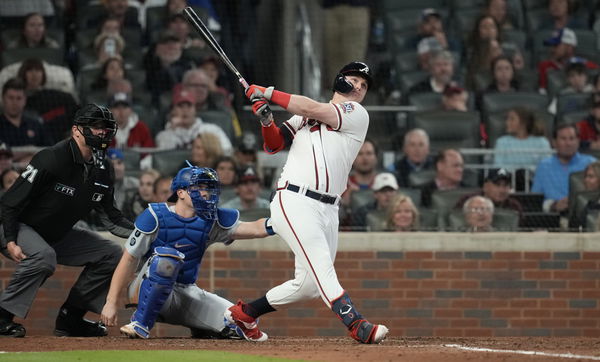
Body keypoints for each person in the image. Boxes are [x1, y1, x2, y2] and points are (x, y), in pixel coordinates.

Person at [225, 61, 388, 344]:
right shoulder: (302, 117)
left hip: (329, 208)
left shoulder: (356, 114)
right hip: (295, 199)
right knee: (323, 265)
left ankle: (246, 313)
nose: (359, 88)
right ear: (340, 80)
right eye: (355, 81)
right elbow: (274, 144)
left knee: (309, 285)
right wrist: (266, 121)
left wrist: (267, 92)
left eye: (364, 86)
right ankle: (355, 322)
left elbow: (312, 108)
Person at [0, 104, 134, 338]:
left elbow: (112, 218)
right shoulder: (51, 157)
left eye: (106, 127)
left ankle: (70, 319)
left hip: (54, 234)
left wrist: (144, 233)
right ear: (76, 130)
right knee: (44, 257)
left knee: (112, 253)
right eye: (95, 126)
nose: (102, 132)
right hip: (13, 224)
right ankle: (1, 317)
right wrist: (10, 240)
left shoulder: (104, 168)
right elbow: (9, 203)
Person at [100, 165, 275, 339]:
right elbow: (129, 259)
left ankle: (201, 327)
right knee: (167, 259)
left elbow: (255, 228)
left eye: (208, 188)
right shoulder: (154, 215)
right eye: (199, 187)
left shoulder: (211, 219)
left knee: (236, 320)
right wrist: (111, 302)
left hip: (186, 290)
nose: (205, 193)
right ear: (180, 192)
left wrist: (282, 220)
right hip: (145, 288)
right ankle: (140, 322)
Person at [532, 123, 596, 213]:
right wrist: (554, 205)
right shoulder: (544, 166)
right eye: (563, 139)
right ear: (554, 142)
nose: (568, 143)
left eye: (572, 138)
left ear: (578, 141)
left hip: (585, 215)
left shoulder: (591, 163)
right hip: (554, 218)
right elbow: (535, 200)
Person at [17, 58, 78, 144]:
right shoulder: (18, 100)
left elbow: (77, 114)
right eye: (30, 70)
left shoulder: (61, 97)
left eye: (38, 70)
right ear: (23, 74)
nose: (34, 74)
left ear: (43, 75)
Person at [155, 86, 232, 154]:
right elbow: (164, 158)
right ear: (172, 111)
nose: (185, 110)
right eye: (180, 106)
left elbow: (227, 152)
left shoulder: (211, 130)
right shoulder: (164, 135)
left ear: (195, 110)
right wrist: (172, 130)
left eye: (189, 106)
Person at [538, 28, 598, 92]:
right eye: (551, 46)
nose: (552, 50)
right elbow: (542, 91)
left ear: (570, 47)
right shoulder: (544, 66)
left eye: (556, 46)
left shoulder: (587, 65)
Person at [455, 168, 524, 223]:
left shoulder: (514, 207)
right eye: (497, 185)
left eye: (505, 185)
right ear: (485, 186)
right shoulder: (468, 201)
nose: (502, 190)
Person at [0, 78, 51, 148]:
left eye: (19, 98)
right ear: (3, 99)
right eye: (11, 98)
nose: (14, 103)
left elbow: (49, 151)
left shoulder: (36, 126)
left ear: (25, 100)